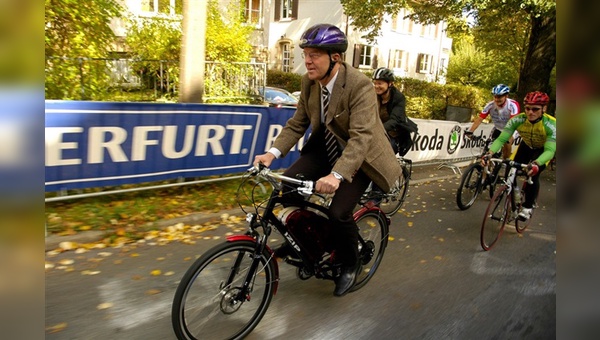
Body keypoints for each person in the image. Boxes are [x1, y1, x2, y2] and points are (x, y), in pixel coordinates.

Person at [253, 23, 401, 297]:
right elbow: (298, 123)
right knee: (288, 191)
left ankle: (350, 262)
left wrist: (337, 175)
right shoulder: (309, 83)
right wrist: (272, 153)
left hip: (360, 154)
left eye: (314, 55)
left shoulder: (359, 86)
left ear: (335, 57)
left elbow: (360, 137)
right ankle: (311, 240)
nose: (307, 60)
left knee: (338, 212)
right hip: (325, 145)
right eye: (305, 54)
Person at [482, 91, 556, 221]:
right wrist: (489, 153)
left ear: (544, 109)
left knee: (533, 174)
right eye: (527, 108)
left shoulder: (551, 124)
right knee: (510, 169)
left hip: (543, 150)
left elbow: (550, 150)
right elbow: (501, 139)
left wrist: (536, 163)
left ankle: (528, 207)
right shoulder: (518, 119)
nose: (530, 112)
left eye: (535, 109)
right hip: (526, 146)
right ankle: (514, 191)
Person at [465, 84, 520, 159]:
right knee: (488, 148)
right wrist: (470, 131)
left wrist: (506, 137)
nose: (497, 99)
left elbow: (513, 122)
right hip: (498, 127)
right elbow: (479, 119)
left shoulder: (513, 105)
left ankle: (506, 162)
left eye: (499, 97)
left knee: (507, 143)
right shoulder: (490, 105)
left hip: (511, 128)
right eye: (495, 96)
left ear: (506, 96)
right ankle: (488, 167)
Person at [372, 67, 418, 156]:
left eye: (380, 83)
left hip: (394, 135)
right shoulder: (372, 95)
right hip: (376, 133)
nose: (376, 86)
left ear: (390, 84)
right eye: (375, 83)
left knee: (382, 155)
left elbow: (394, 121)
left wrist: (376, 131)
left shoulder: (398, 98)